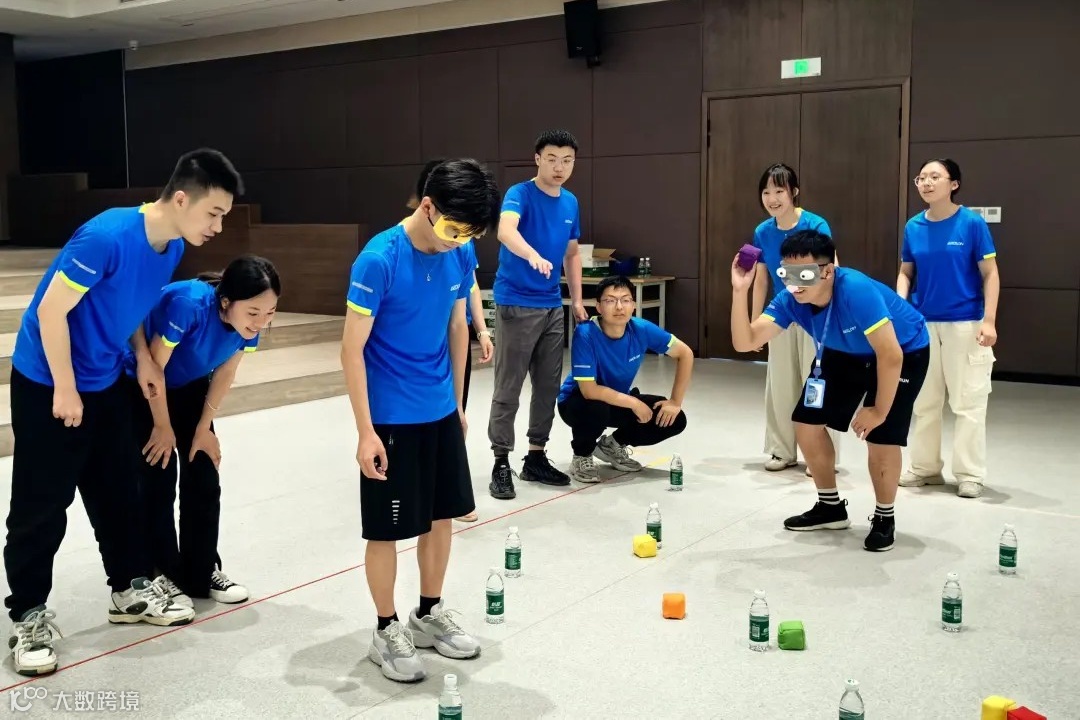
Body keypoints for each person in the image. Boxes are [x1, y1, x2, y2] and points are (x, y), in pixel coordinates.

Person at [4, 148, 241, 676]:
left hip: (105, 376)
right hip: (47, 378)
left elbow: (130, 305)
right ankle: (28, 614)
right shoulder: (106, 237)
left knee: (119, 489)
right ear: (182, 199)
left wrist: (142, 356)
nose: (218, 227)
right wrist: (65, 388)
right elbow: (51, 310)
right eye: (214, 213)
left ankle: (128, 588)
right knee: (42, 504)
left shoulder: (170, 246)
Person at [341, 158, 500, 683]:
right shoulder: (378, 259)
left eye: (470, 234)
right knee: (386, 530)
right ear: (427, 207)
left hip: (438, 408)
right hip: (390, 416)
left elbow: (457, 326)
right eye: (454, 229)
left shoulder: (460, 251)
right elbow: (351, 350)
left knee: (441, 516)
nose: (460, 242)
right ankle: (385, 629)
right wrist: (365, 431)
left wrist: (457, 405)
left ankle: (428, 613)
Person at [730, 229, 930, 552]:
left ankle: (884, 517)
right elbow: (746, 342)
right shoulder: (790, 299)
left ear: (827, 271)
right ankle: (830, 507)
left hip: (903, 350)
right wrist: (740, 291)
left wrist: (879, 410)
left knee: (881, 436)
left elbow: (890, 354)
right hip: (843, 351)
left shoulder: (856, 290)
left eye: (804, 275)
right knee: (806, 423)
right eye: (786, 274)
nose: (794, 284)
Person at [128, 255, 280, 609]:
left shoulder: (248, 327)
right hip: (145, 386)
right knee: (158, 477)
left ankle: (201, 569)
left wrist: (203, 427)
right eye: (253, 312)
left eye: (270, 312)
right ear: (226, 302)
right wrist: (162, 426)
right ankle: (163, 573)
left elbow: (226, 372)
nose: (261, 321)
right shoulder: (189, 305)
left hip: (190, 386)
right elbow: (154, 368)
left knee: (204, 474)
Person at [487, 129, 586, 500]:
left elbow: (572, 254)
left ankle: (536, 456)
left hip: (551, 306)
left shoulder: (571, 202)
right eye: (552, 159)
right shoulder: (520, 194)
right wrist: (531, 254)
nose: (560, 167)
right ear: (538, 159)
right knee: (509, 386)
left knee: (547, 386)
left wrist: (577, 299)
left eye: (567, 161)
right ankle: (501, 460)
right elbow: (505, 230)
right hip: (516, 302)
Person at [897, 158, 999, 499]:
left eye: (935, 177)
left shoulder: (971, 223)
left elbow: (990, 274)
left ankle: (970, 473)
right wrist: (900, 309)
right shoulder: (913, 226)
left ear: (953, 184)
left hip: (965, 324)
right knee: (924, 401)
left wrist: (989, 320)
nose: (926, 183)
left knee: (968, 401)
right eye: (921, 178)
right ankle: (925, 468)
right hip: (924, 324)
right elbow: (906, 272)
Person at [407, 161, 493, 524]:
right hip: (421, 346)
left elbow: (468, 289)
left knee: (456, 415)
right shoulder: (403, 247)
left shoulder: (460, 245)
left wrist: (481, 328)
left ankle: (453, 491)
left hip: (452, 340)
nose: (457, 238)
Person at [750, 163, 843, 476]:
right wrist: (755, 323)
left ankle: (821, 454)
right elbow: (761, 279)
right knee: (780, 384)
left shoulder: (816, 224)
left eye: (779, 191)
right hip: (782, 314)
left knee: (816, 382)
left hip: (816, 311)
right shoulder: (763, 232)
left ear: (794, 192)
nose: (772, 198)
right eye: (766, 192)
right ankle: (781, 450)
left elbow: (830, 270)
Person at [556, 276, 693, 483]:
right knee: (596, 408)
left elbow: (685, 353)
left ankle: (611, 445)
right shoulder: (585, 333)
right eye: (610, 300)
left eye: (625, 300)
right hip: (576, 402)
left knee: (674, 418)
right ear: (598, 307)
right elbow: (589, 391)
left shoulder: (641, 329)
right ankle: (582, 455)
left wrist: (675, 402)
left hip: (616, 399)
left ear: (633, 305)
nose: (619, 307)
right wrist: (634, 403)